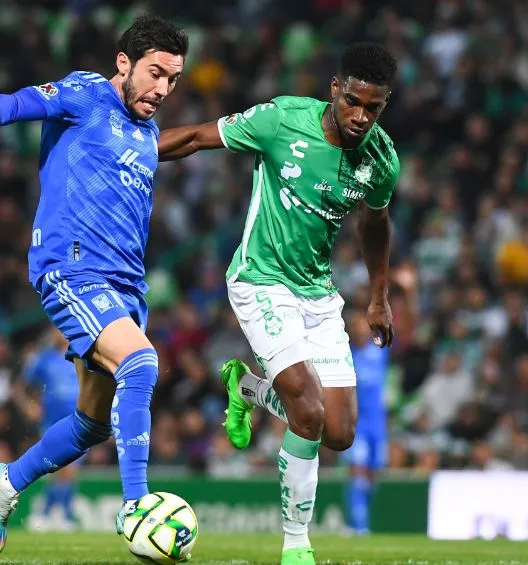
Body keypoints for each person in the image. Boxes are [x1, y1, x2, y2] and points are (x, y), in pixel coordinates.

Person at [157, 43, 399, 565]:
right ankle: (296, 546)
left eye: (373, 107)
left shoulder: (381, 159)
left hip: (318, 294)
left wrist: (378, 297)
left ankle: (244, 387)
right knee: (307, 413)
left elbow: (375, 223)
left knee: (339, 434)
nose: (361, 116)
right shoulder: (281, 120)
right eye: (353, 101)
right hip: (259, 281)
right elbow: (200, 137)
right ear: (335, 89)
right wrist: (126, 150)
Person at [0, 14, 188, 554]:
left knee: (91, 424)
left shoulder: (148, 132)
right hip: (72, 268)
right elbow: (33, 99)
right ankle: (138, 505)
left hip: (125, 288)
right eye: (155, 73)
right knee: (141, 363)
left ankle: (7, 482)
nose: (162, 89)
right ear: (124, 63)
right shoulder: (88, 93)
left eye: (173, 79)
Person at [22, 327, 82, 527]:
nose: (60, 333)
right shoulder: (44, 359)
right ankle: (60, 515)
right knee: (59, 467)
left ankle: (49, 514)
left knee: (70, 469)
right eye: (56, 330)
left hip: (81, 419)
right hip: (52, 421)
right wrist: (30, 406)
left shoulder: (83, 355)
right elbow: (22, 386)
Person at [343, 311, 390, 535]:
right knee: (357, 471)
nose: (360, 329)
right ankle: (357, 526)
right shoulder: (346, 356)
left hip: (378, 425)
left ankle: (363, 519)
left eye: (363, 325)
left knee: (372, 475)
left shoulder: (379, 350)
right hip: (357, 424)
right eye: (355, 325)